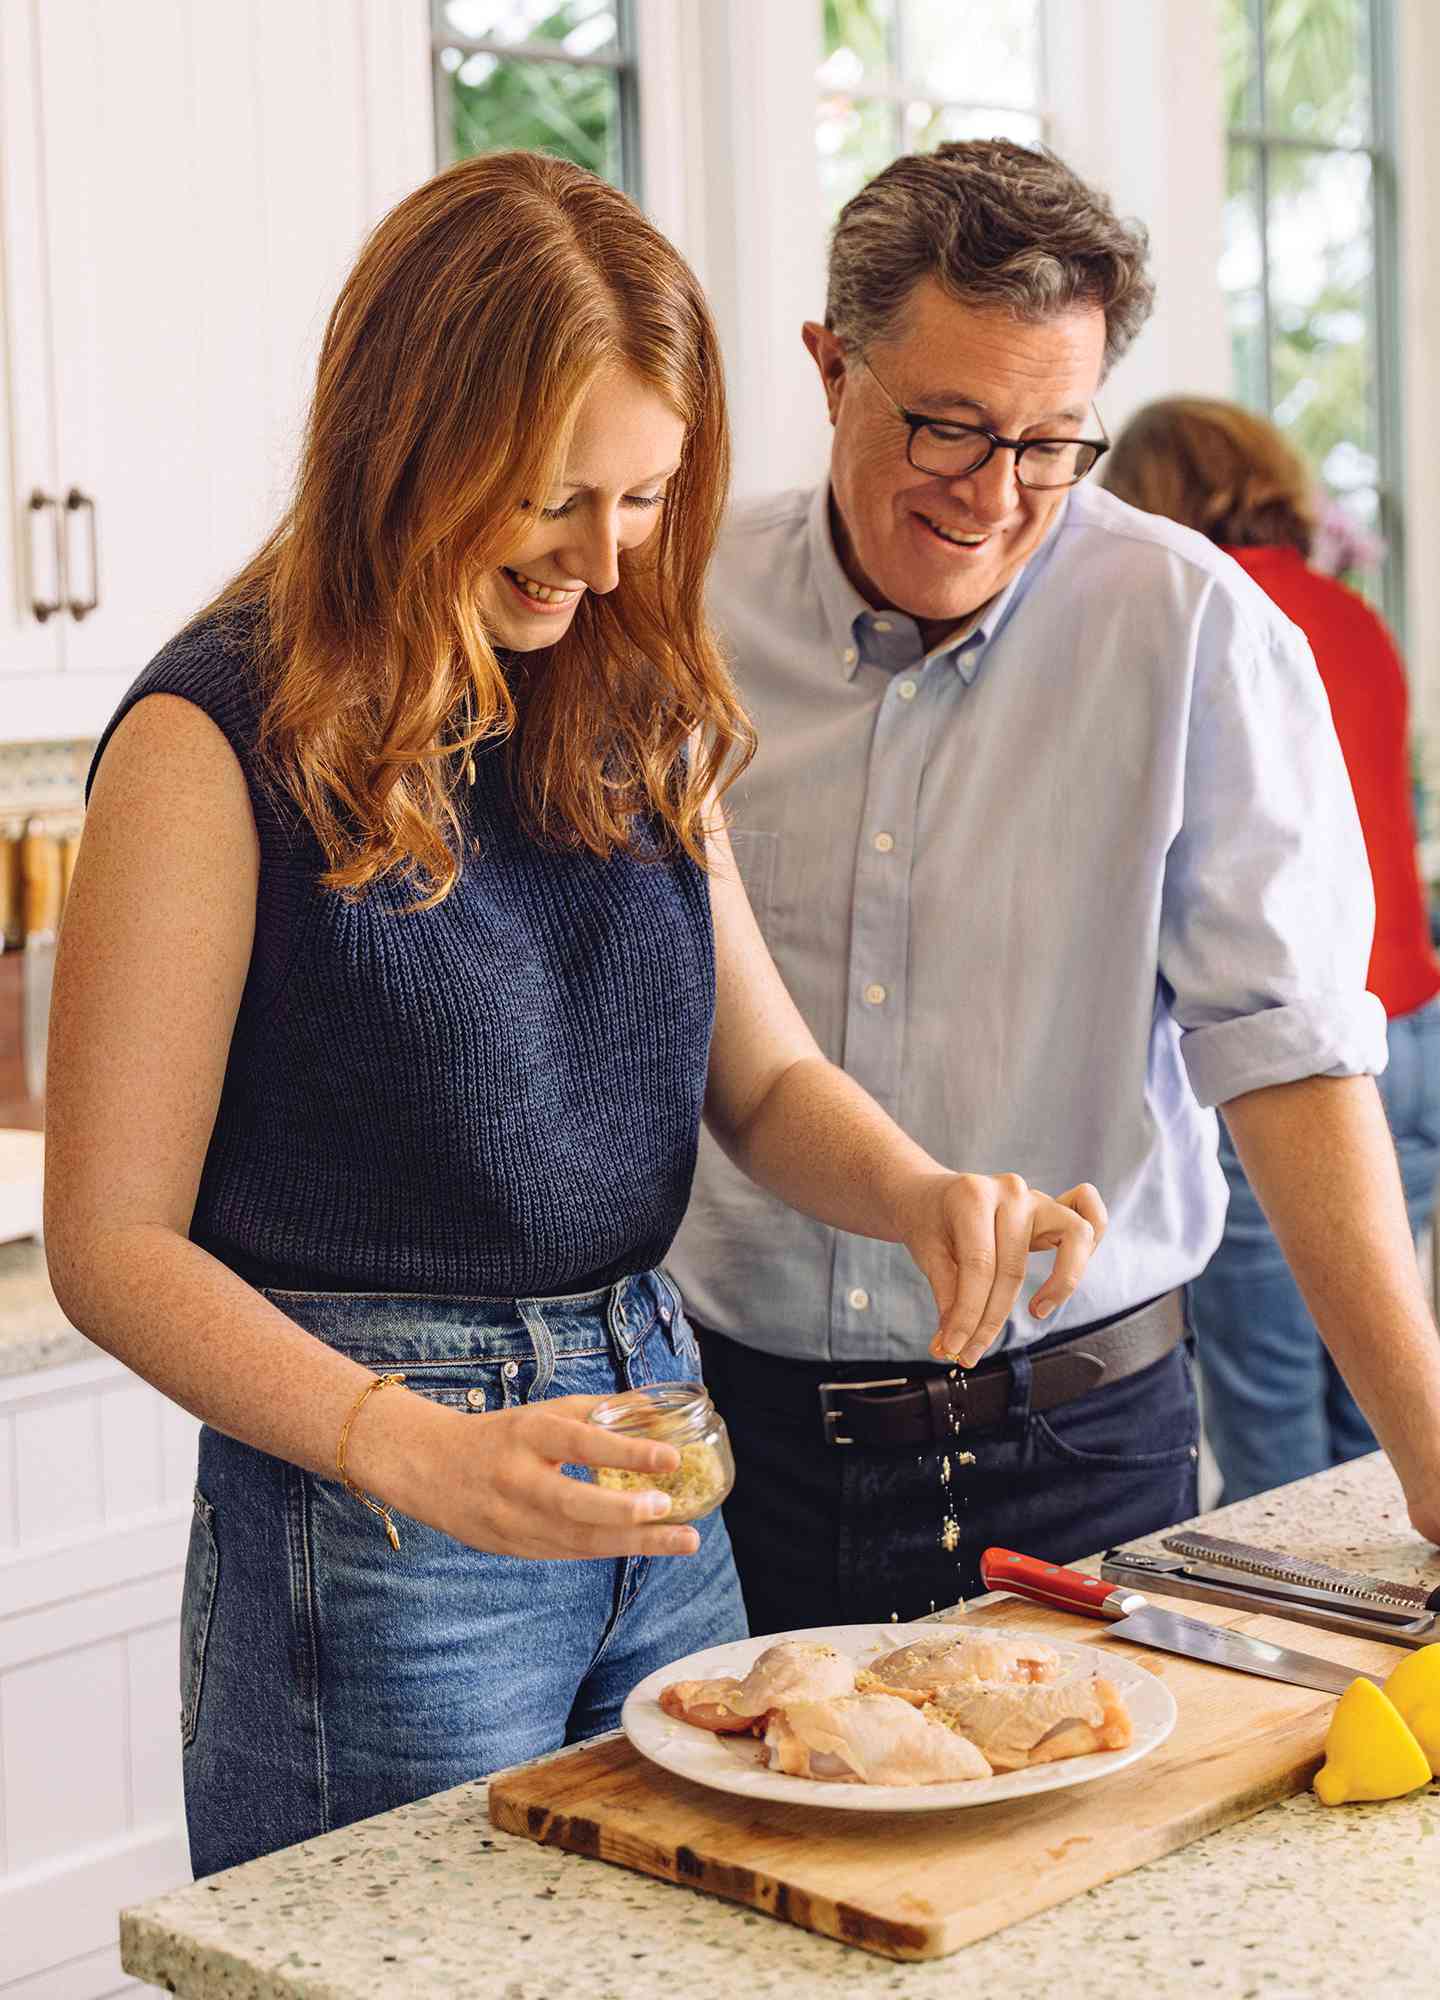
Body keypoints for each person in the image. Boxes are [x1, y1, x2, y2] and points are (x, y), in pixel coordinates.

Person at [41, 152, 1103, 1877]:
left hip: (656, 1452)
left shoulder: (629, 702)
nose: (608, 565)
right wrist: (413, 1450)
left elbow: (756, 1079)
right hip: (381, 1506)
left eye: (646, 501)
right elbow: (111, 1243)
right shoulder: (210, 739)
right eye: (554, 500)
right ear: (411, 443)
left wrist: (920, 1193)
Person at [668, 138, 1440, 1640]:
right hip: (734, 1458)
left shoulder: (1192, 631)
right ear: (830, 365)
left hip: (1079, 1451)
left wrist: (1428, 1454)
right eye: (949, 427)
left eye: (1054, 441)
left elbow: (1289, 1060)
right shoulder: (680, 611)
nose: (996, 494)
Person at [1099, 397, 1440, 1501]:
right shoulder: (1351, 615)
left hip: (1288, 1071)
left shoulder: (1200, 622)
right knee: (1382, 1418)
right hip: (1414, 1038)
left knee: (1273, 1444)